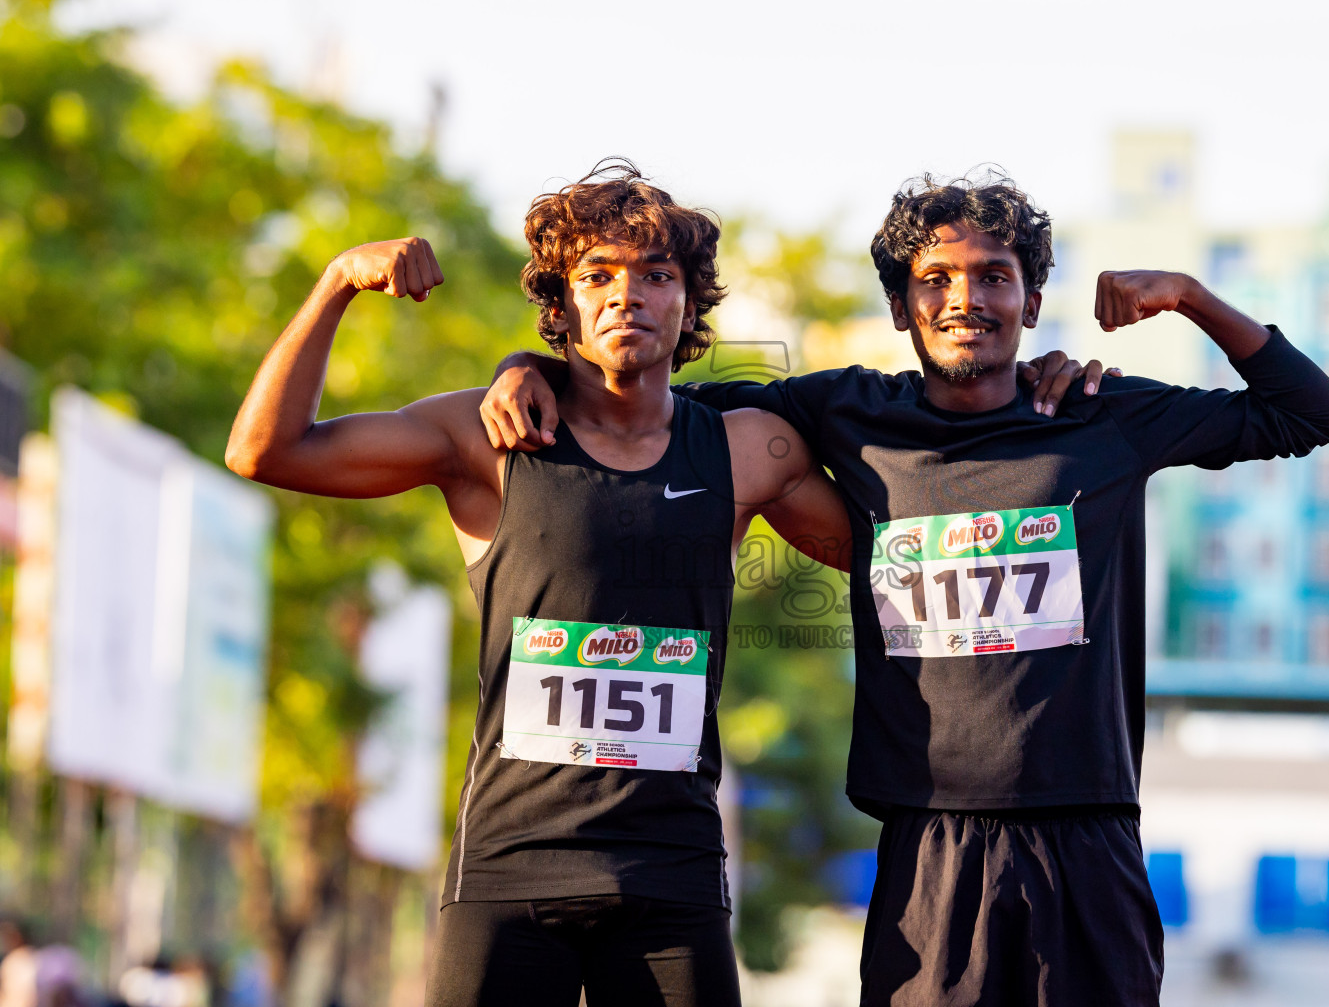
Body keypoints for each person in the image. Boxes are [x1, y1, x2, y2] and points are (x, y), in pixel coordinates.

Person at [483, 170, 1329, 1006]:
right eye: (934, 279)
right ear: (901, 308)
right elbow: (640, 394)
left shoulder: (1101, 415)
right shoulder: (846, 413)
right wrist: (528, 366)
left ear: (1032, 302)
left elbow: (1316, 413)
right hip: (925, 847)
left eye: (994, 277)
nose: (965, 299)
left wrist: (1189, 296)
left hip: (1088, 837)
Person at [227, 162, 860, 1007]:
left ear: (690, 306)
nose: (626, 294)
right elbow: (263, 452)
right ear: (559, 307)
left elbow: (894, 554)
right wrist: (337, 281)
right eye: (596, 275)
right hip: (506, 870)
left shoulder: (747, 450)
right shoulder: (486, 436)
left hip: (670, 873)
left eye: (656, 276)